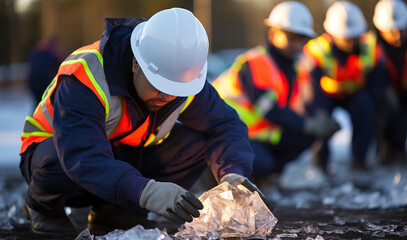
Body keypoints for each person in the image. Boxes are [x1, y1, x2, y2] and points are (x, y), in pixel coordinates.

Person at [19, 8, 272, 235]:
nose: (167, 96)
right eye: (159, 86)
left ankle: (114, 211)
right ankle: (42, 206)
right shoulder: (86, 75)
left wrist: (233, 174)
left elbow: (225, 125)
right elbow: (83, 156)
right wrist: (146, 191)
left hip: (119, 158)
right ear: (135, 64)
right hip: (56, 159)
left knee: (197, 141)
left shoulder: (183, 80)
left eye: (176, 89)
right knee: (57, 160)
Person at [212, 1, 340, 177]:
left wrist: (318, 118)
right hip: (227, 135)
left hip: (259, 135)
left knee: (307, 136)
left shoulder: (290, 69)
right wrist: (308, 124)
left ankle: (266, 174)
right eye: (291, 38)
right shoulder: (256, 62)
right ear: (273, 34)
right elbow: (269, 110)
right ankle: (223, 173)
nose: (296, 45)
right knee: (265, 162)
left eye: (300, 40)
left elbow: (300, 105)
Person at [297, 1, 389, 171]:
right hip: (323, 96)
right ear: (331, 34)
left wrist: (378, 107)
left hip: (356, 94)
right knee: (320, 119)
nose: (350, 41)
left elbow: (378, 83)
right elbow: (309, 89)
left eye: (354, 36)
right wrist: (318, 112)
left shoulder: (371, 48)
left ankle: (359, 160)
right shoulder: (316, 50)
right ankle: (320, 162)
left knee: (366, 107)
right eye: (345, 37)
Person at [373, 0, 407, 171]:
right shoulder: (370, 45)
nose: (396, 35)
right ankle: (390, 153)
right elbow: (371, 77)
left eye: (401, 29)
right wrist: (384, 91)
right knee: (382, 112)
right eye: (390, 31)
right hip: (387, 96)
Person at [26, 37, 66, 110]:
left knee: (38, 105)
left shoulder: (35, 50)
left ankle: (34, 119)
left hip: (32, 82)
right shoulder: (53, 52)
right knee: (48, 106)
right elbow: (63, 65)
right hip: (45, 81)